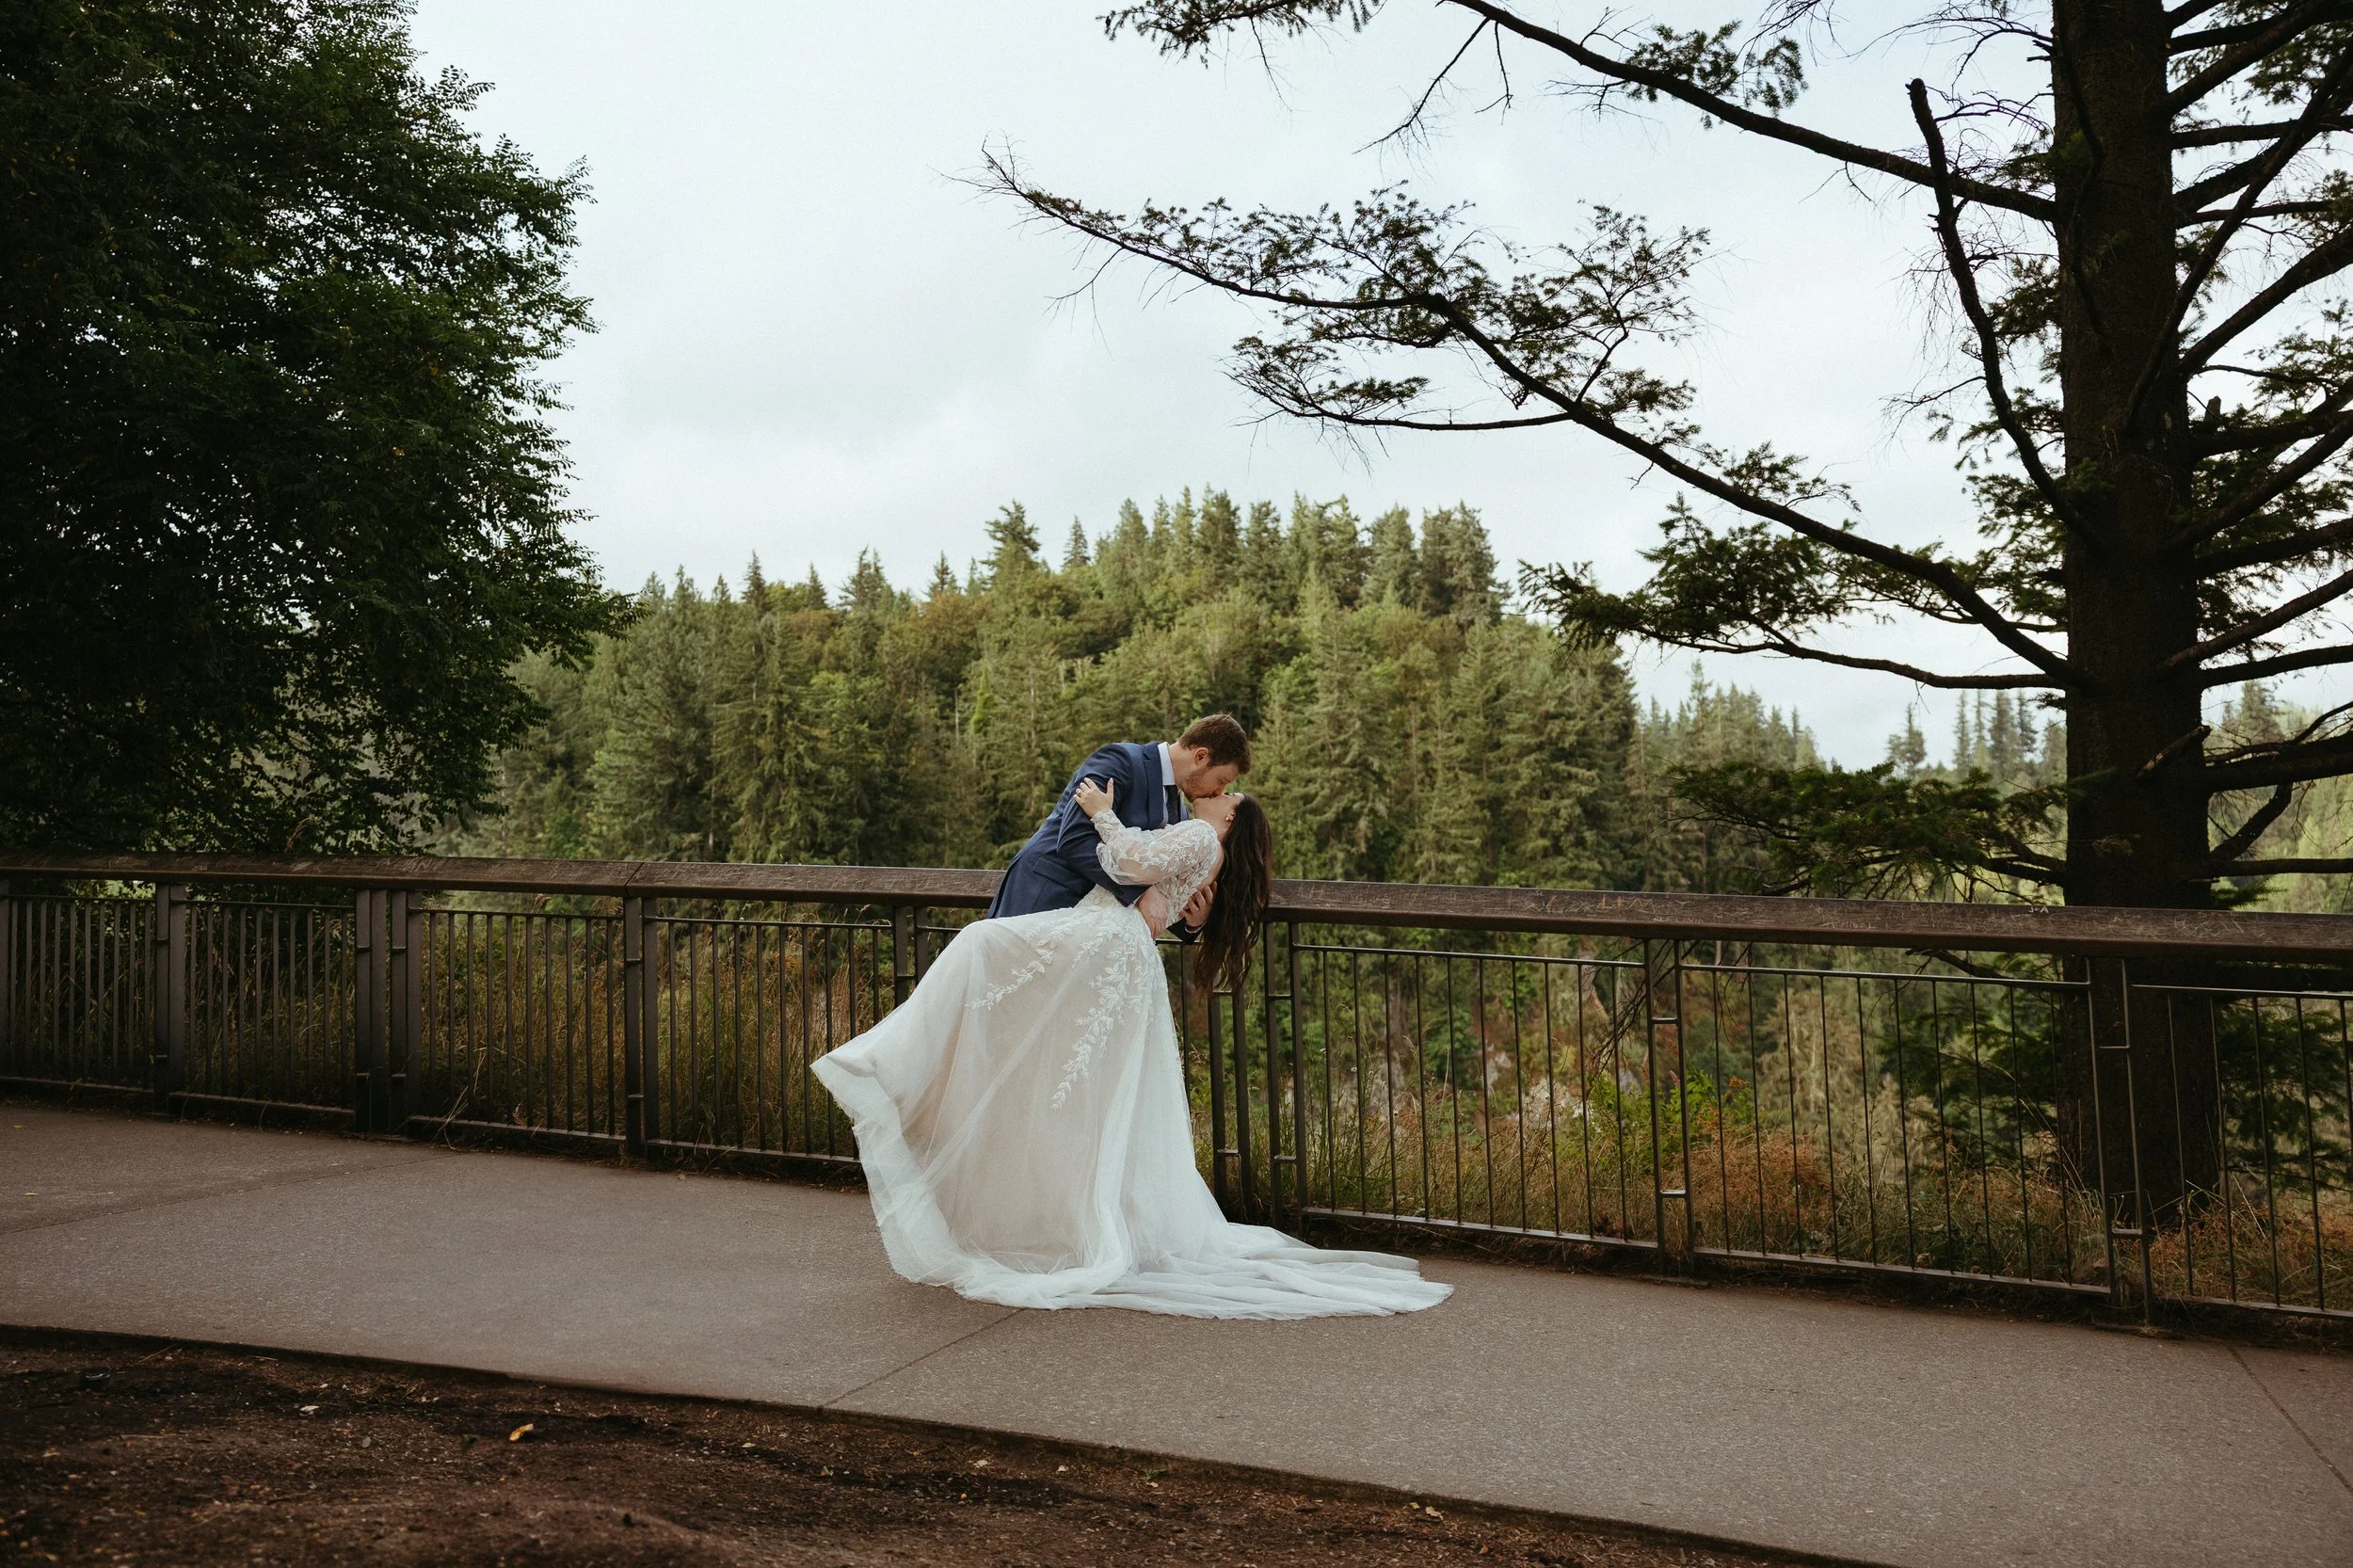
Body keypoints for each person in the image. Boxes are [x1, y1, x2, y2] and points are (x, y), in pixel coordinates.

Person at [810, 733, 1450, 1320]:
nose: (1219, 792)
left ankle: (896, 1077)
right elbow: (1119, 874)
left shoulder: (1195, 831)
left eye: (1228, 793)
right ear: (1203, 757)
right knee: (1061, 1079)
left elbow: (1135, 863)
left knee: (1004, 994)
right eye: (1224, 782)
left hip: (1102, 946)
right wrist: (1163, 902)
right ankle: (960, 1140)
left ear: (1230, 821)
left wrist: (1111, 827)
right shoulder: (1133, 775)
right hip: (1086, 933)